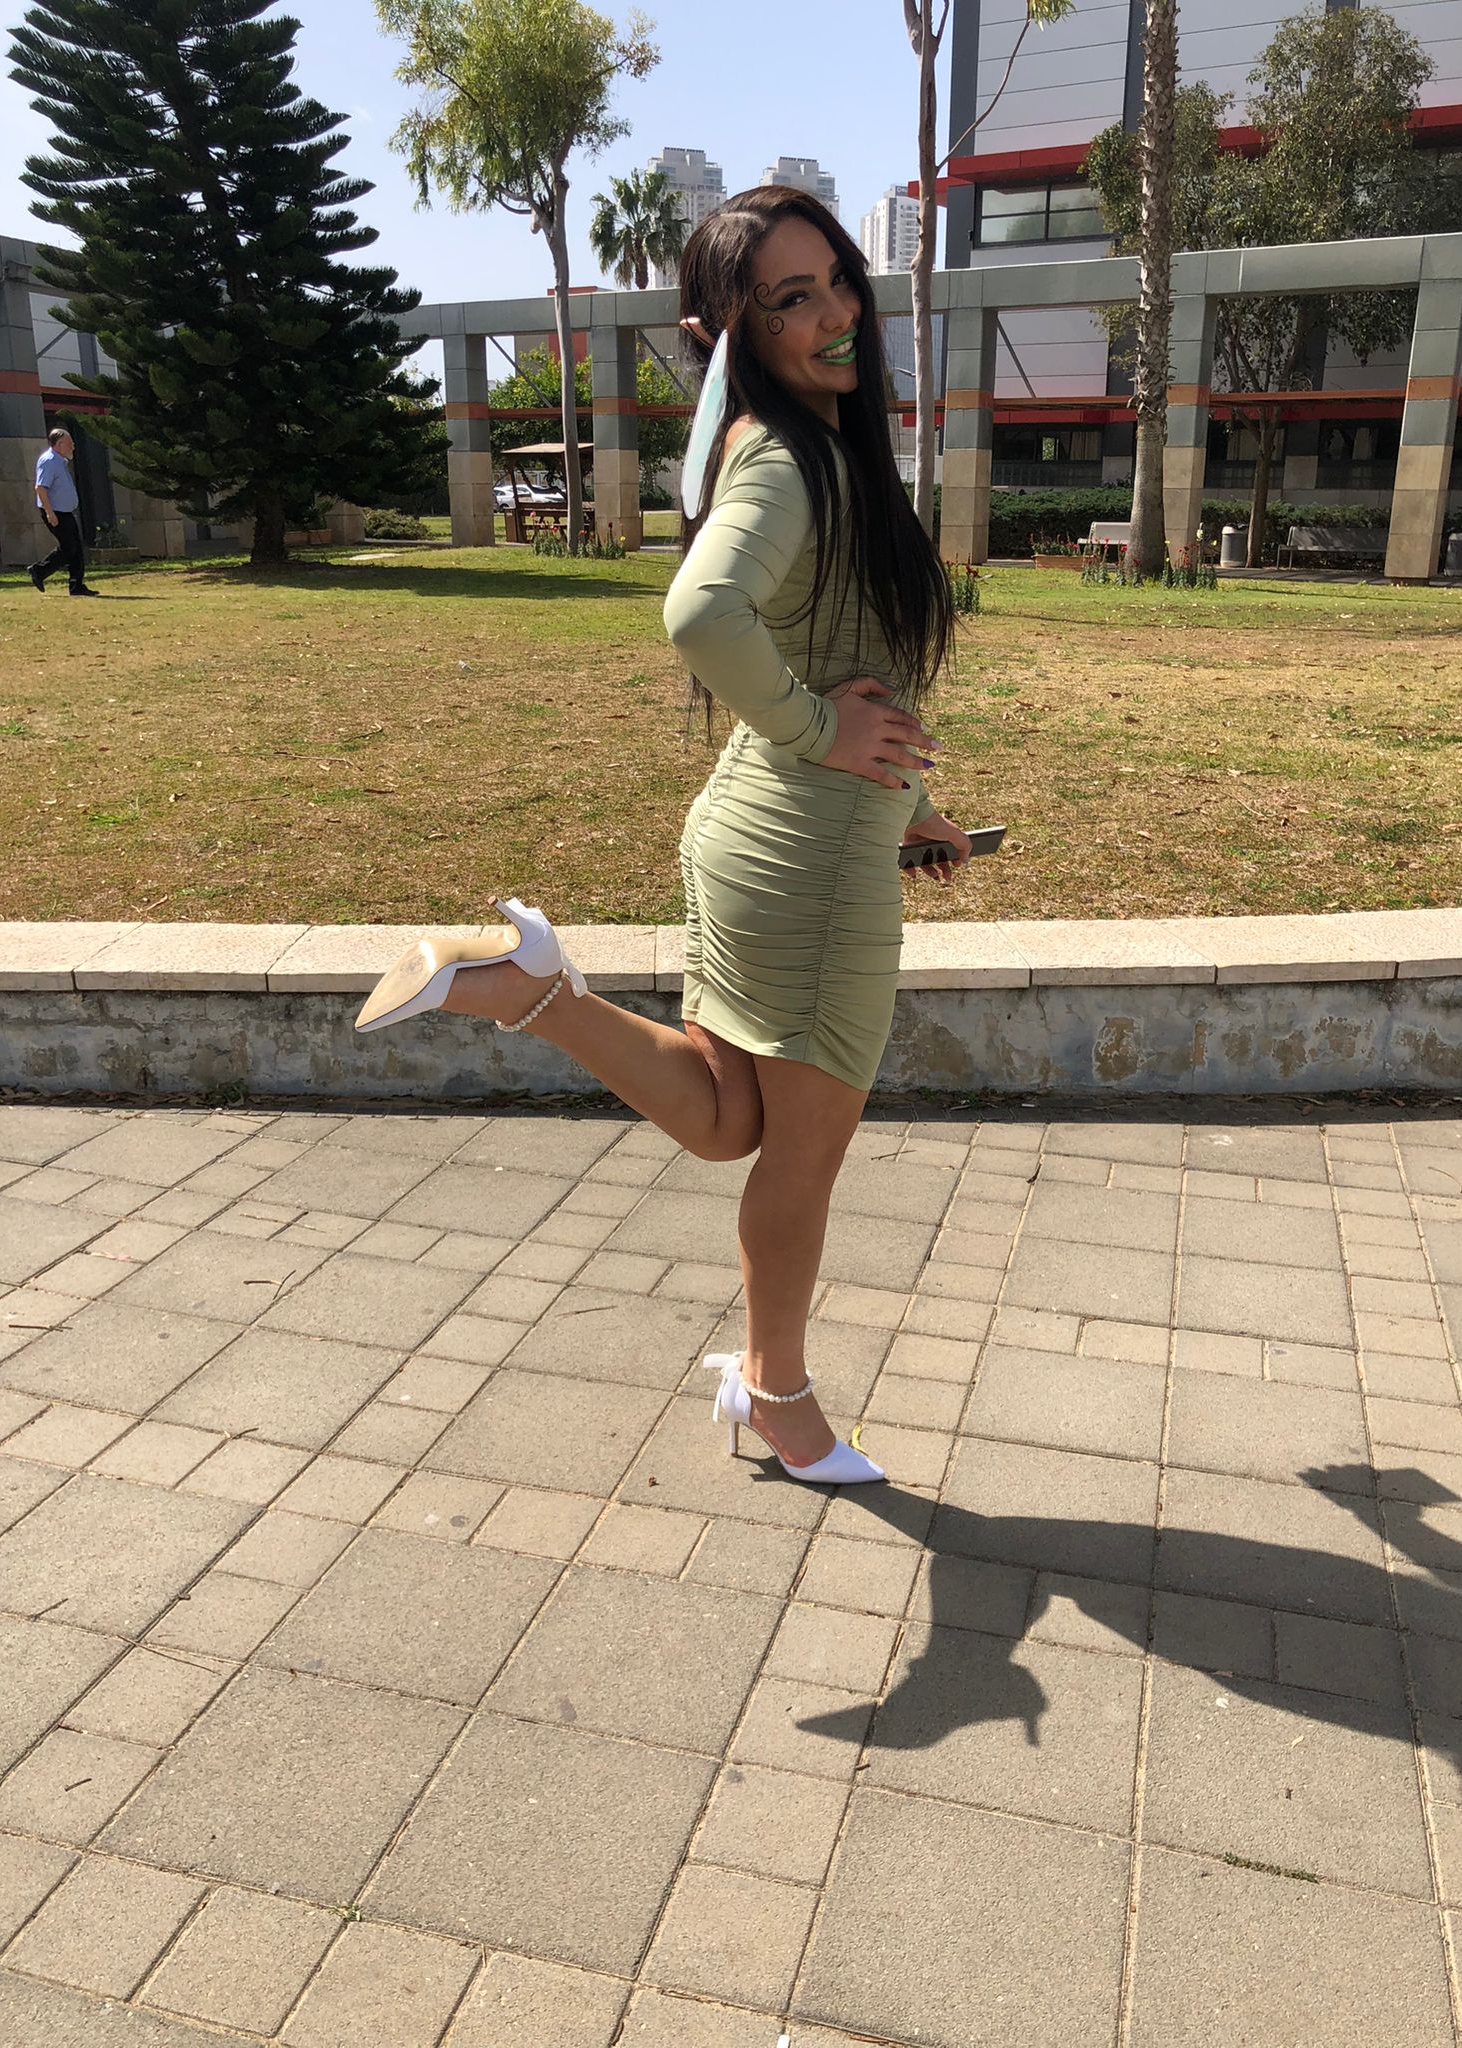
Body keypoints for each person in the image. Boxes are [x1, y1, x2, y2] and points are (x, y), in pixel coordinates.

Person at [354, 186, 972, 1486]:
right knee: (798, 1156)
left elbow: (830, 648)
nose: (834, 313)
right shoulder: (790, 459)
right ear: (725, 331)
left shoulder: (791, 445)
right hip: (803, 864)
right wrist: (825, 733)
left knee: (732, 1117)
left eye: (838, 280)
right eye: (791, 298)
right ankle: (778, 1395)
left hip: (767, 835)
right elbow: (701, 615)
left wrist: (906, 804)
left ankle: (529, 985)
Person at [29, 427, 98, 597]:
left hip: (65, 512)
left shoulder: (60, 461)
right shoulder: (49, 461)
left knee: (76, 548)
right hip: (55, 512)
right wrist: (49, 513)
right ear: (60, 444)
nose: (73, 446)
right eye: (70, 443)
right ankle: (39, 570)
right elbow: (40, 488)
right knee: (69, 547)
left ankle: (76, 586)